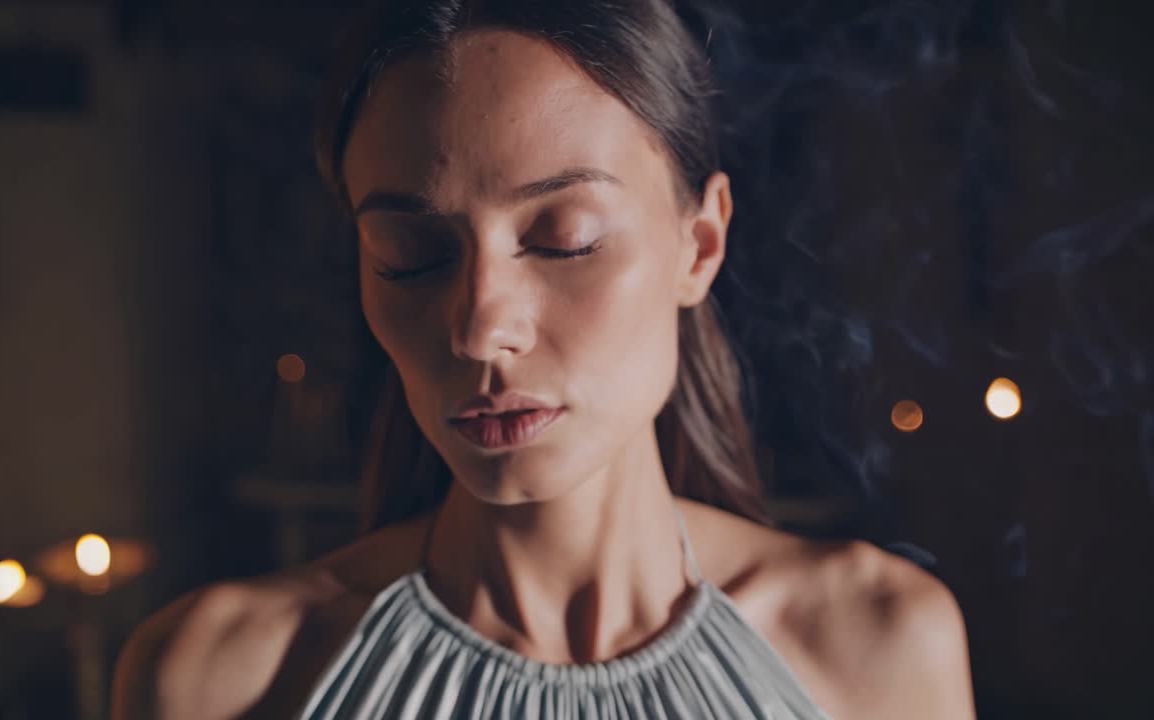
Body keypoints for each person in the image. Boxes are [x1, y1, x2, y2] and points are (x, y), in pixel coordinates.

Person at [112, 1, 976, 717]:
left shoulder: (879, 647)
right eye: (410, 255)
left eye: (566, 241)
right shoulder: (221, 681)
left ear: (700, 244)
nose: (481, 329)